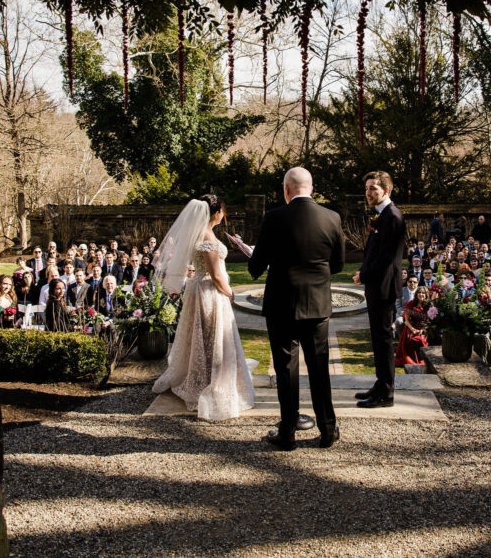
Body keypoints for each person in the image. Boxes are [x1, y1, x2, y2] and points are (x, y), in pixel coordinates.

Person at [249, 168, 345, 450]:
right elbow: (337, 264)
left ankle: (288, 432)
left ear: (286, 189)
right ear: (311, 188)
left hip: (282, 304)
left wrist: (258, 258)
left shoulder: (274, 217)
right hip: (317, 305)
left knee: (286, 370)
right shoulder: (332, 217)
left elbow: (256, 266)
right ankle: (328, 430)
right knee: (319, 368)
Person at [152, 194, 256, 422]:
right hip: (210, 291)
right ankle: (211, 380)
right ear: (216, 213)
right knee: (212, 336)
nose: (224, 215)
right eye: (222, 211)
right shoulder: (208, 238)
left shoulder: (198, 233)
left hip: (198, 288)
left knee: (201, 335)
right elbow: (216, 275)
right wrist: (230, 293)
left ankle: (202, 373)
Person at [353, 170, 406, 409]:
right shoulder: (382, 216)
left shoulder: (392, 216)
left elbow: (386, 258)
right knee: (377, 338)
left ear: (386, 190)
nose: (368, 193)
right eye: (367, 189)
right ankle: (380, 384)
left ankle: (386, 393)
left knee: (383, 339)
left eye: (373, 188)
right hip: (377, 286)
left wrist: (363, 275)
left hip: (383, 288)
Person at [395, 286, 430, 368]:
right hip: (411, 326)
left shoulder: (428, 305)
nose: (421, 294)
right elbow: (406, 319)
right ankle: (412, 359)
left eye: (423, 293)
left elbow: (430, 321)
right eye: (419, 293)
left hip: (424, 327)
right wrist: (412, 329)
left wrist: (423, 329)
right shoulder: (411, 303)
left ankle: (421, 358)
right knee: (410, 339)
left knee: (420, 340)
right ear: (416, 294)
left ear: (426, 294)